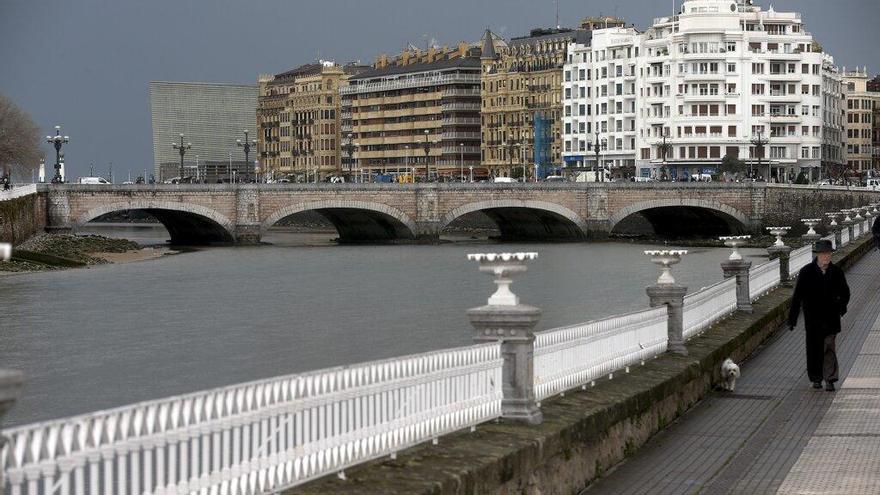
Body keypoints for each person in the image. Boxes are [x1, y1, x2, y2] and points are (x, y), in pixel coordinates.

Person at [789, 239, 850, 391]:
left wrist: (841, 308)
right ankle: (816, 377)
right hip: (813, 319)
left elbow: (846, 293)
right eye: (823, 254)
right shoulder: (806, 272)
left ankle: (830, 379)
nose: (826, 257)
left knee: (829, 347)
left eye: (828, 254)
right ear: (818, 255)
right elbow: (797, 297)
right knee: (814, 349)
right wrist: (792, 319)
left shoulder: (836, 272)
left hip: (831, 318)